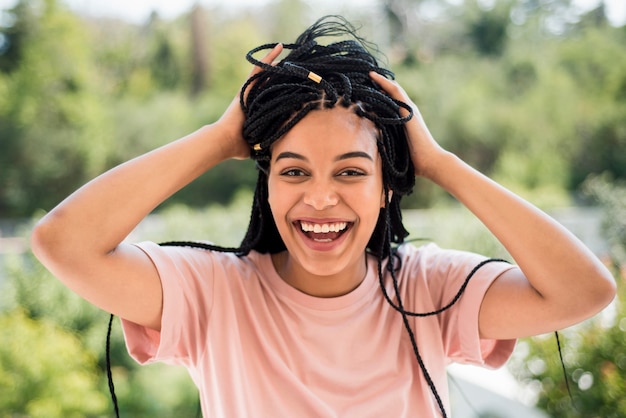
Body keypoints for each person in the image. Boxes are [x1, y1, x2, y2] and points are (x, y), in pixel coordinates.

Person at [31, 15, 615, 418]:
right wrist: (216, 139)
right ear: (267, 184)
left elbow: (584, 292)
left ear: (388, 187)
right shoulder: (211, 292)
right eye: (293, 171)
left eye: (351, 172)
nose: (319, 199)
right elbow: (63, 243)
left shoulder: (431, 289)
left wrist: (437, 162)